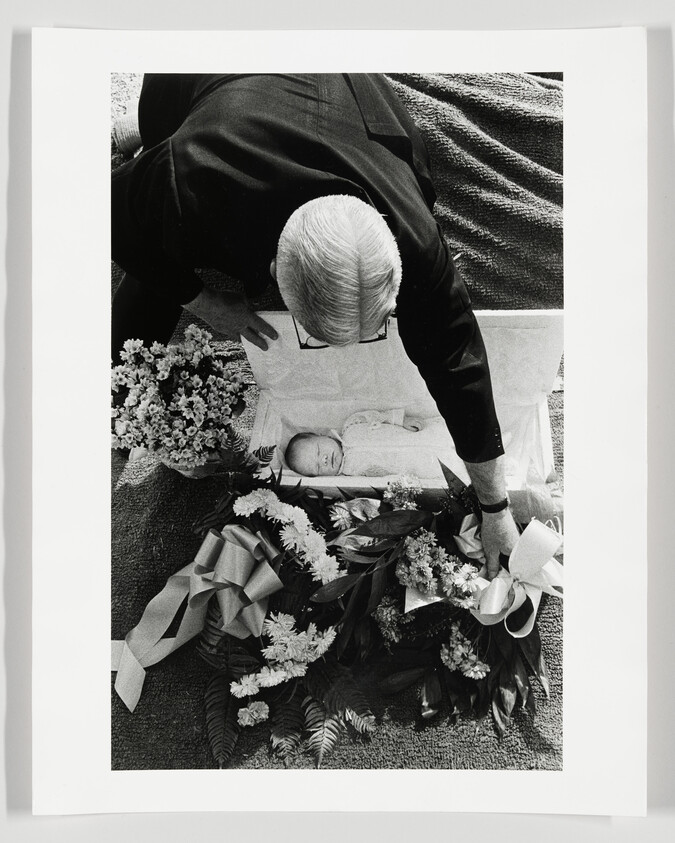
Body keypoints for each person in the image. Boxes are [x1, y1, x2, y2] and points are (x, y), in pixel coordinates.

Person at [111, 73, 519, 578]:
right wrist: (204, 299)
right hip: (204, 72)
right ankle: (142, 134)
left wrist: (495, 505)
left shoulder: (415, 232)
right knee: (144, 287)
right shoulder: (194, 177)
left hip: (339, 84)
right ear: (272, 274)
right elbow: (111, 219)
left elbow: (458, 363)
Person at [285, 409, 454, 479]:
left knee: (445, 432)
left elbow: (377, 416)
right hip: (415, 464)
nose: (324, 459)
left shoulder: (351, 425)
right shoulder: (350, 474)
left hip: (414, 435)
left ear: (321, 435)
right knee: (443, 466)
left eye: (319, 451)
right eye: (318, 467)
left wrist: (400, 419)